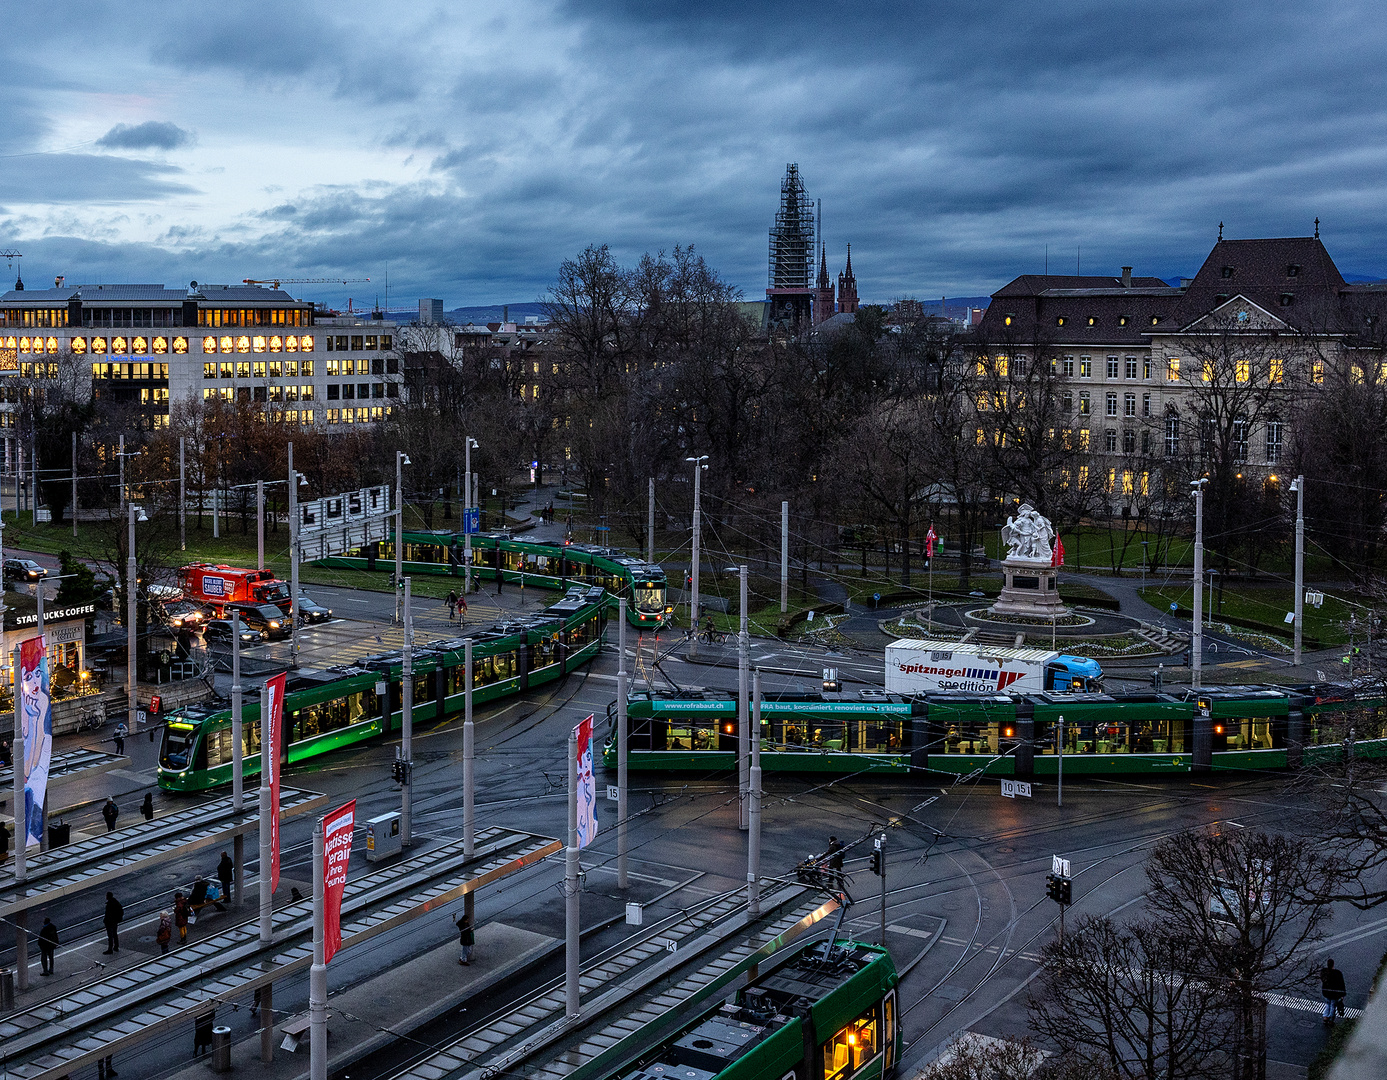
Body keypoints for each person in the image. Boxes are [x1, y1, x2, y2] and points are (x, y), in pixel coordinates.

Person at [1322, 958, 1347, 1024]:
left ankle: (1325, 1017)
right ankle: (1331, 1019)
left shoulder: (1324, 972)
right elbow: (1341, 984)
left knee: (1328, 1004)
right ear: (1333, 964)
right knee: (1333, 1005)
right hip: (1334, 993)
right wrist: (1342, 994)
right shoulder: (1338, 973)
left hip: (1326, 992)